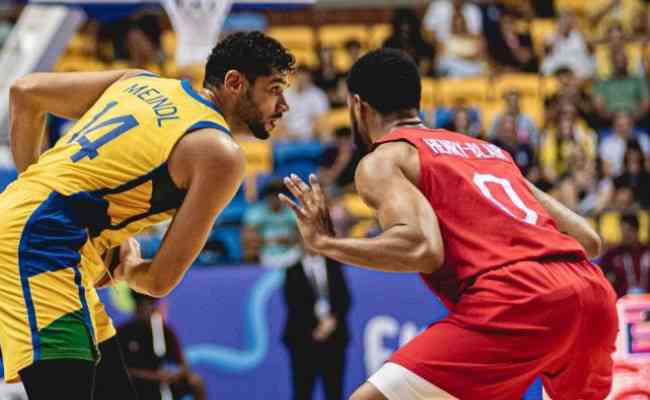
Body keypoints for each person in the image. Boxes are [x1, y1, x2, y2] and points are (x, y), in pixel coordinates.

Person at [279, 48, 618, 400]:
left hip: (518, 297)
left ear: (358, 106)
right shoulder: (488, 152)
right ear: (417, 102)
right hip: (591, 292)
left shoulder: (386, 157)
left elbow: (421, 247)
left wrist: (326, 244)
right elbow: (589, 240)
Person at [0, 31, 294, 399]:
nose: (284, 105)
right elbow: (158, 282)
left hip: (49, 235)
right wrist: (127, 265)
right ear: (235, 82)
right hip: (40, 244)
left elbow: (25, 92)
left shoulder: (138, 82)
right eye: (275, 89)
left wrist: (34, 190)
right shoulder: (218, 152)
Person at [283, 251, 351, 400]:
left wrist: (332, 320)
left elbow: (344, 298)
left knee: (334, 391)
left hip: (334, 338)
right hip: (303, 341)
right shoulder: (292, 270)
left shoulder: (334, 266)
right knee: (302, 391)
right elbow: (293, 305)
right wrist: (315, 329)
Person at [118, 292, 206, 400]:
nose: (145, 310)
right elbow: (119, 369)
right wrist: (153, 376)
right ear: (135, 307)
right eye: (141, 305)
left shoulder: (164, 331)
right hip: (137, 382)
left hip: (163, 381)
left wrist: (174, 375)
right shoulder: (123, 332)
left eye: (149, 305)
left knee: (195, 381)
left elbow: (184, 365)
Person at [599, 213, 650, 297]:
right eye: (622, 231)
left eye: (628, 231)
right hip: (621, 304)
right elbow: (602, 278)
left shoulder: (647, 252)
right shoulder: (612, 255)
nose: (625, 235)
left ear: (636, 230)